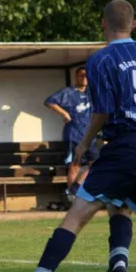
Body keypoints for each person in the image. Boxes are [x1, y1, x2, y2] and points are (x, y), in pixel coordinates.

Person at [11, 0, 136, 272]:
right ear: (134, 24)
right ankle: (118, 264)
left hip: (126, 146)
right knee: (119, 207)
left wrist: (84, 144)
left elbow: (103, 111)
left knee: (77, 213)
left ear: (103, 23)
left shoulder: (101, 60)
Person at [44, 67, 99, 201]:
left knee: (96, 162)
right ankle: (72, 197)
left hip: (90, 135)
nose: (84, 78)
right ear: (76, 77)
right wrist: (64, 113)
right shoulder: (68, 92)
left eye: (87, 76)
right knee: (75, 165)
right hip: (74, 134)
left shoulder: (91, 92)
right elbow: (49, 102)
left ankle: (75, 189)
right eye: (81, 76)